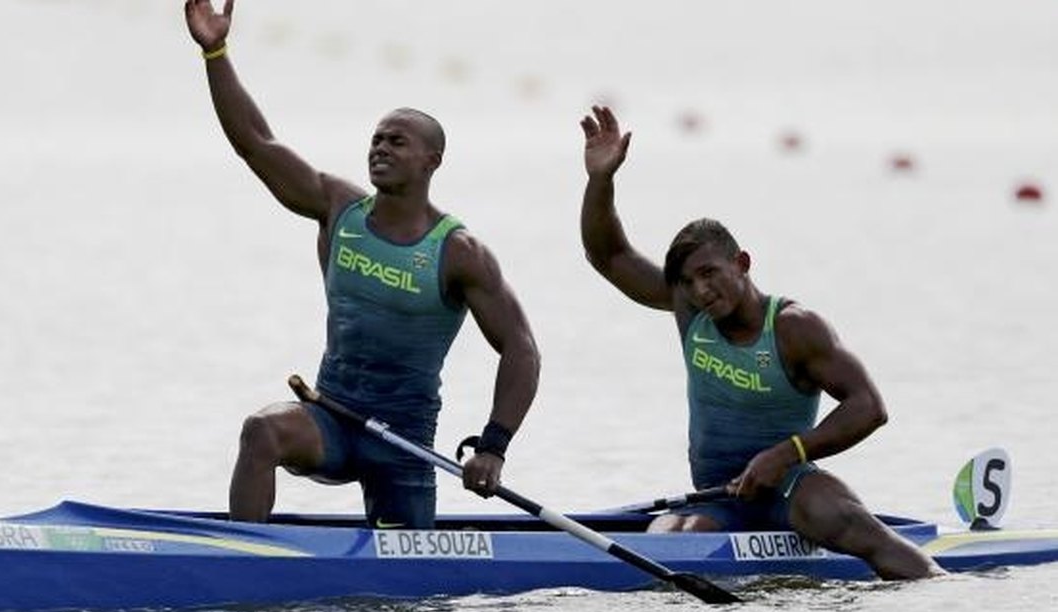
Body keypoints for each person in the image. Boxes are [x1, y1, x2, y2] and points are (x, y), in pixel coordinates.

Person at [183, 0, 540, 529]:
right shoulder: (337, 207)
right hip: (331, 414)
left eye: (397, 141)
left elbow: (521, 349)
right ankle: (246, 555)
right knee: (261, 430)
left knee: (412, 595)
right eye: (375, 139)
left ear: (431, 161)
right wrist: (215, 50)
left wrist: (493, 447)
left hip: (402, 438)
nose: (381, 148)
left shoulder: (459, 252)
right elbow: (256, 144)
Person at [578, 105, 943, 579]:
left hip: (792, 490)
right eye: (688, 282)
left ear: (743, 264)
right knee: (666, 545)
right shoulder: (692, 310)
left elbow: (869, 406)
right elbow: (607, 254)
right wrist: (600, 180)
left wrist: (787, 453)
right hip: (718, 497)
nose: (700, 290)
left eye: (710, 274)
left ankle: (939, 586)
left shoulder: (793, 327)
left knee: (850, 524)